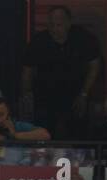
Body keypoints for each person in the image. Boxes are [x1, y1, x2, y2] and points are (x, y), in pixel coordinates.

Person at [21, 5, 101, 140]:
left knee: (79, 135)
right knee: (43, 135)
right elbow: (27, 71)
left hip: (75, 96)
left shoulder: (83, 38)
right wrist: (26, 97)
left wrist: (84, 94)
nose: (54, 29)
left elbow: (95, 66)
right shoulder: (39, 41)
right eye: (51, 25)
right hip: (45, 97)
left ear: (69, 23)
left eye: (58, 25)